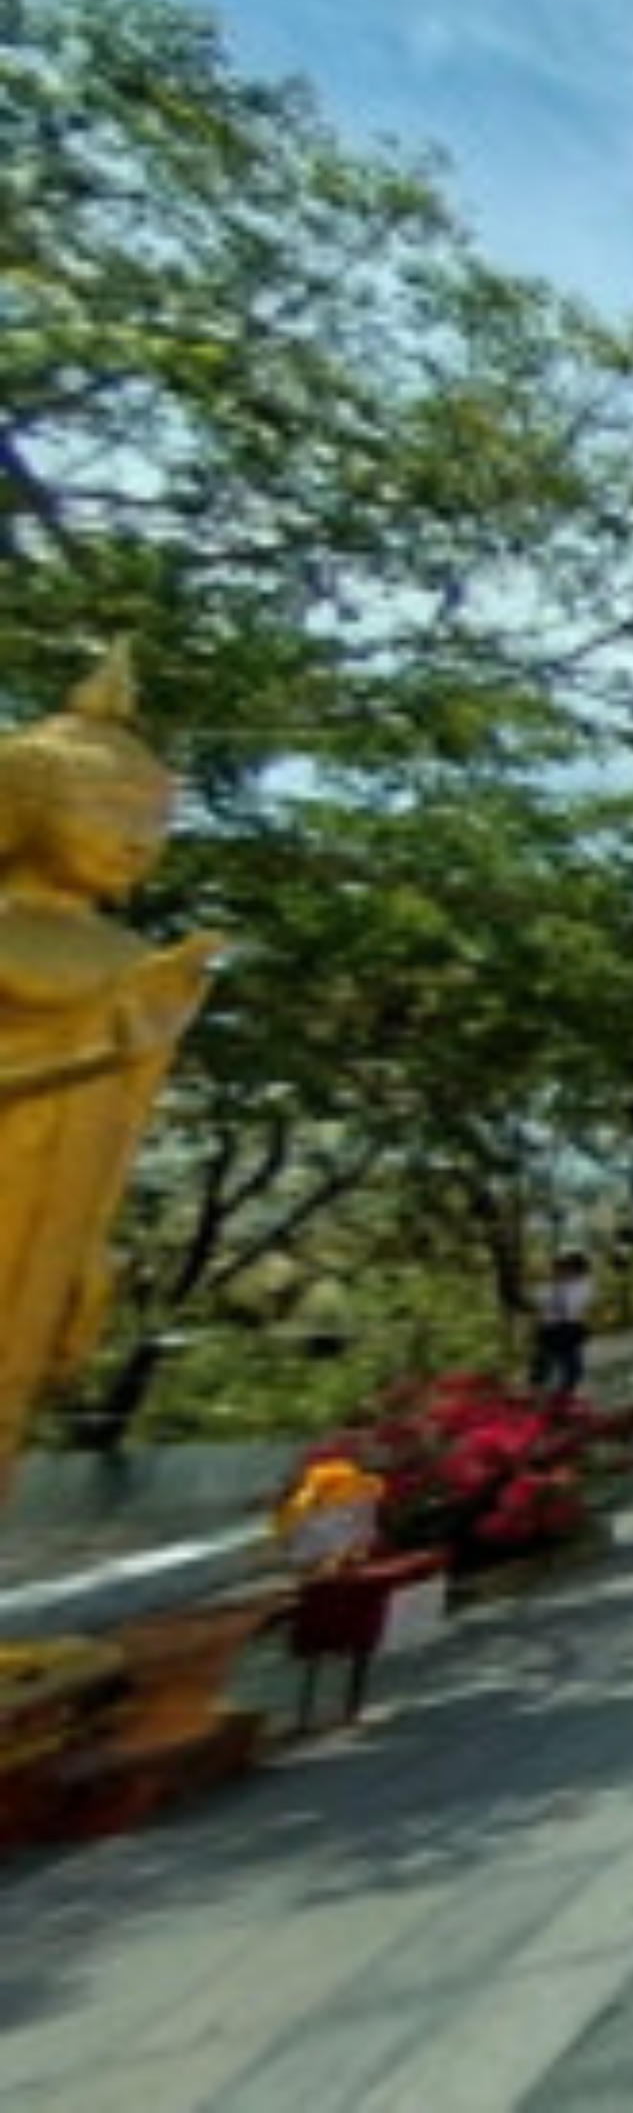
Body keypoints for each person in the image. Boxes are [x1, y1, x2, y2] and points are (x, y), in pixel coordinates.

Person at [0, 645, 218, 1508]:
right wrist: (106, 1042)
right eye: (107, 806)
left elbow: (118, 1124)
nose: (135, 838)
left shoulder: (133, 963)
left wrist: (92, 1246)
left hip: (54, 1214)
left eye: (154, 816)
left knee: (9, 1391)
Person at [531, 1250, 595, 1400]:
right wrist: (555, 1286)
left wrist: (559, 1289)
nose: (564, 1271)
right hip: (550, 1329)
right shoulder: (550, 1286)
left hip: (569, 1328)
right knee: (543, 1365)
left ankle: (564, 1395)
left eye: (569, 1268)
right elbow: (538, 1301)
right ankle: (538, 1392)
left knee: (573, 1368)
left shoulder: (583, 1286)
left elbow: (572, 1306)